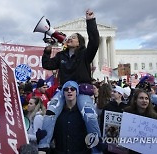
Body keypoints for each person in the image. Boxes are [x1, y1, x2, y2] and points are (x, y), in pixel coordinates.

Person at [39, 9, 102, 153]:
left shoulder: (85, 55)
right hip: (65, 90)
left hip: (81, 89)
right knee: (50, 113)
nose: (70, 38)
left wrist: (90, 21)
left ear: (79, 43)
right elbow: (47, 65)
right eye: (70, 37)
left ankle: (97, 148)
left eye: (74, 37)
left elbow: (95, 41)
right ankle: (43, 146)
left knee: (90, 116)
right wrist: (47, 51)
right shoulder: (61, 55)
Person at [52, 81, 91, 154]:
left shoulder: (83, 113)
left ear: (77, 92)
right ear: (63, 93)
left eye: (72, 89)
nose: (69, 91)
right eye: (66, 89)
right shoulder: (58, 113)